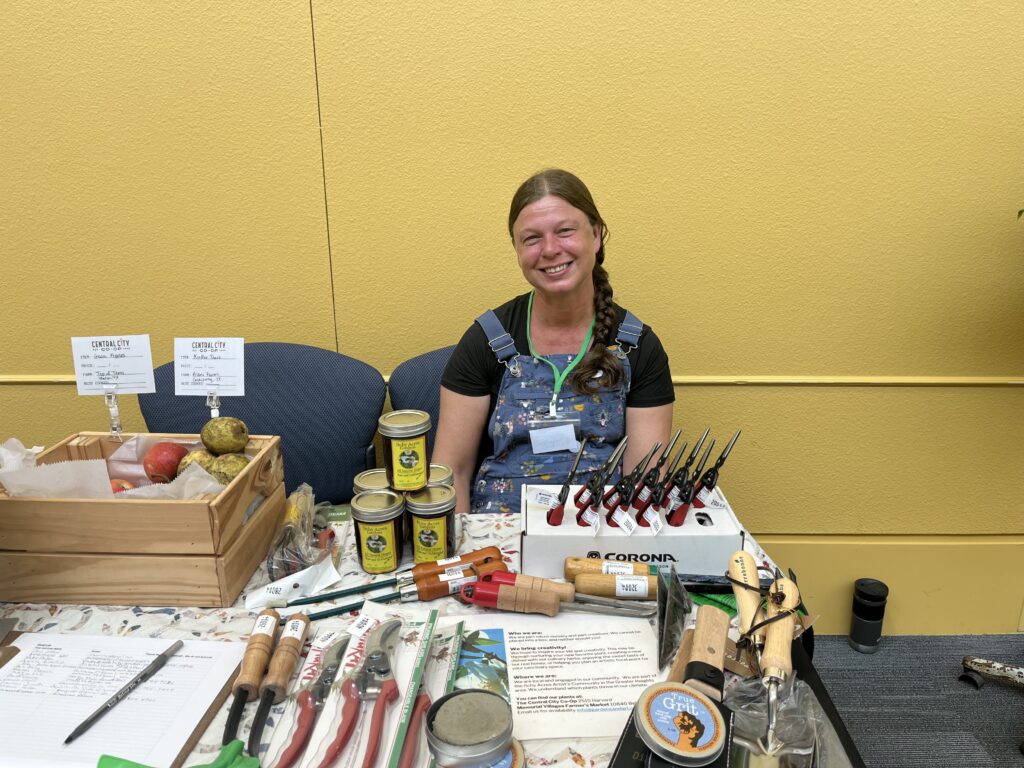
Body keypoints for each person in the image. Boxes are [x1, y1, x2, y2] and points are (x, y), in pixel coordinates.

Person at [433, 169, 674, 514]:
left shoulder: (636, 346)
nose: (550, 249)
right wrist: (464, 555)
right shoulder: (487, 339)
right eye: (531, 238)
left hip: (602, 536)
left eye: (565, 231)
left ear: (596, 235)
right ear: (516, 249)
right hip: (498, 538)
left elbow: (642, 482)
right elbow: (450, 473)